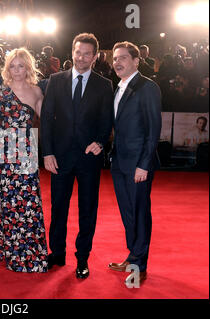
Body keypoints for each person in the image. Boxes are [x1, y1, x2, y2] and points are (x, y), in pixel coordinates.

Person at [41, 33, 113, 279]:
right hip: (59, 157)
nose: (82, 57)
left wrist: (100, 142)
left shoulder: (104, 85)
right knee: (58, 207)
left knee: (87, 209)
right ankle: (57, 253)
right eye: (78, 52)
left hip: (88, 158)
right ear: (72, 52)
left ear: (95, 57)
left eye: (87, 53)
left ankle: (82, 258)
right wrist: (47, 152)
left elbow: (106, 120)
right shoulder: (55, 80)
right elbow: (47, 119)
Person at [108, 41, 162, 285]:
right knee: (128, 213)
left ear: (136, 61)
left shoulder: (147, 87)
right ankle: (133, 257)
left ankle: (140, 264)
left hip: (138, 165)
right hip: (119, 162)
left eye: (123, 58)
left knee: (139, 213)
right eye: (115, 58)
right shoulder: (118, 88)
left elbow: (153, 130)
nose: (117, 62)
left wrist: (144, 164)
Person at [0, 48, 48, 273]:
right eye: (12, 66)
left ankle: (29, 253)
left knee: (28, 201)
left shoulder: (36, 92)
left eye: (20, 66)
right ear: (7, 68)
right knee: (7, 201)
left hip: (26, 150)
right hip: (3, 152)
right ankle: (9, 252)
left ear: (28, 68)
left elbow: (48, 123)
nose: (16, 70)